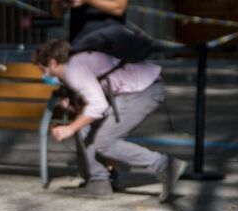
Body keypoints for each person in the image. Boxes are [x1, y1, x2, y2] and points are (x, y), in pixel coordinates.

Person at [33, 39, 187, 201]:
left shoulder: (74, 71)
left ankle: (166, 166)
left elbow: (98, 105)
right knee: (86, 127)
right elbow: (94, 104)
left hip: (143, 90)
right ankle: (99, 182)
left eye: (43, 69)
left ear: (52, 63)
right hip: (135, 90)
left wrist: (69, 128)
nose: (44, 75)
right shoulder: (74, 64)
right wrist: (71, 109)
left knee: (104, 142)